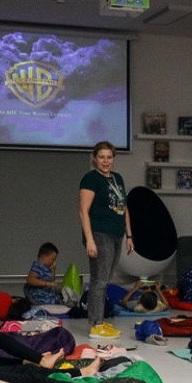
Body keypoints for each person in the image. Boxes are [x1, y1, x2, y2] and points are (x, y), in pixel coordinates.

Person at [78, 140, 132, 337]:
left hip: (116, 233)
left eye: (109, 157)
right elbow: (83, 211)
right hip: (99, 234)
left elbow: (124, 207)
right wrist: (89, 240)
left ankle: (100, 320)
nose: (106, 161)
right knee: (99, 280)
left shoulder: (117, 178)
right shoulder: (90, 179)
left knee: (107, 279)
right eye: (101, 157)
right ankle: (96, 324)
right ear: (94, 159)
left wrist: (129, 234)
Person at [25, 242, 62, 307]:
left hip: (48, 294)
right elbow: (30, 279)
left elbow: (52, 282)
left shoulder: (46, 268)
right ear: (45, 256)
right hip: (41, 297)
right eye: (53, 259)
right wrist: (47, 283)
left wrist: (53, 271)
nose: (54, 262)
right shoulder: (38, 266)